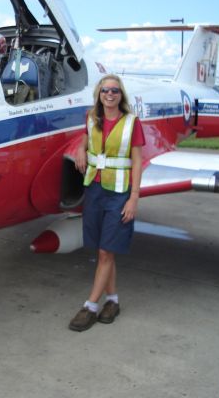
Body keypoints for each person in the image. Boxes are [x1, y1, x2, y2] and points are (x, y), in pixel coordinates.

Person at [69, 74, 145, 332]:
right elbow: (86, 137)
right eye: (105, 91)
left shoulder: (132, 123)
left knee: (105, 252)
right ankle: (112, 301)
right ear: (99, 94)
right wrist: (80, 148)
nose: (109, 94)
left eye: (114, 90)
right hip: (95, 188)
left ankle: (90, 306)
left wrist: (134, 197)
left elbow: (137, 161)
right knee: (103, 249)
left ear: (120, 95)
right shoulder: (91, 117)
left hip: (119, 192)